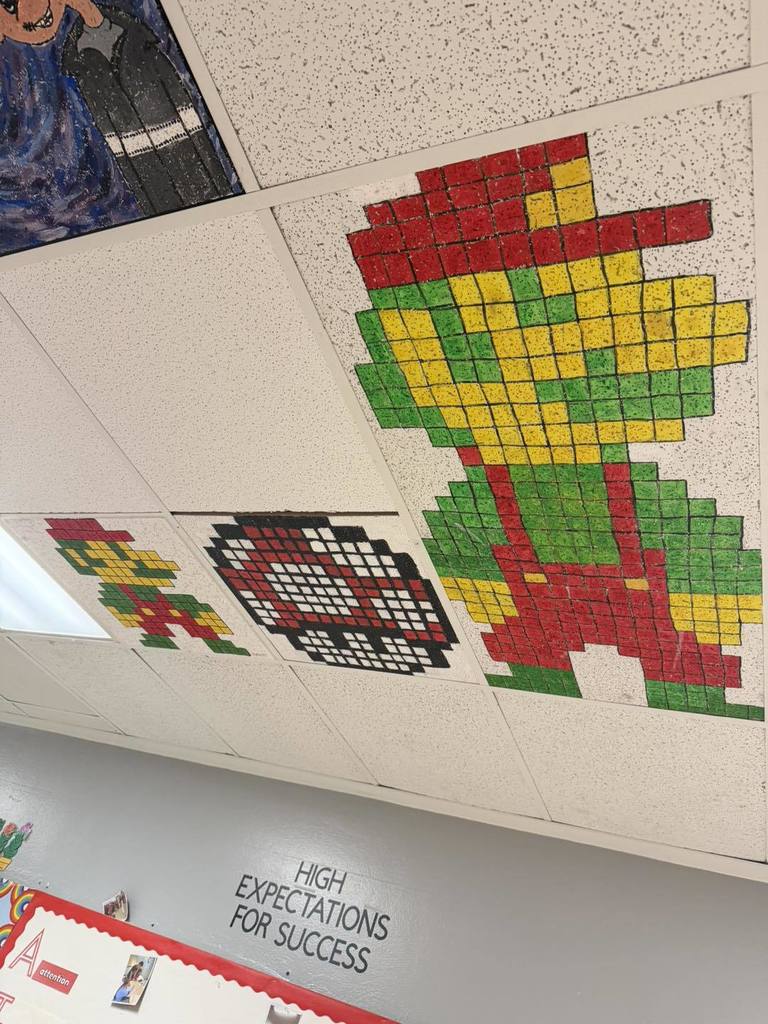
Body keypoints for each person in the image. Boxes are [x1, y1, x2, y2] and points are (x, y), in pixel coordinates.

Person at [0, 0, 232, 216]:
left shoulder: (125, 40)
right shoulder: (40, 80)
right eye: (8, 5)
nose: (24, 10)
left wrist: (94, 19)